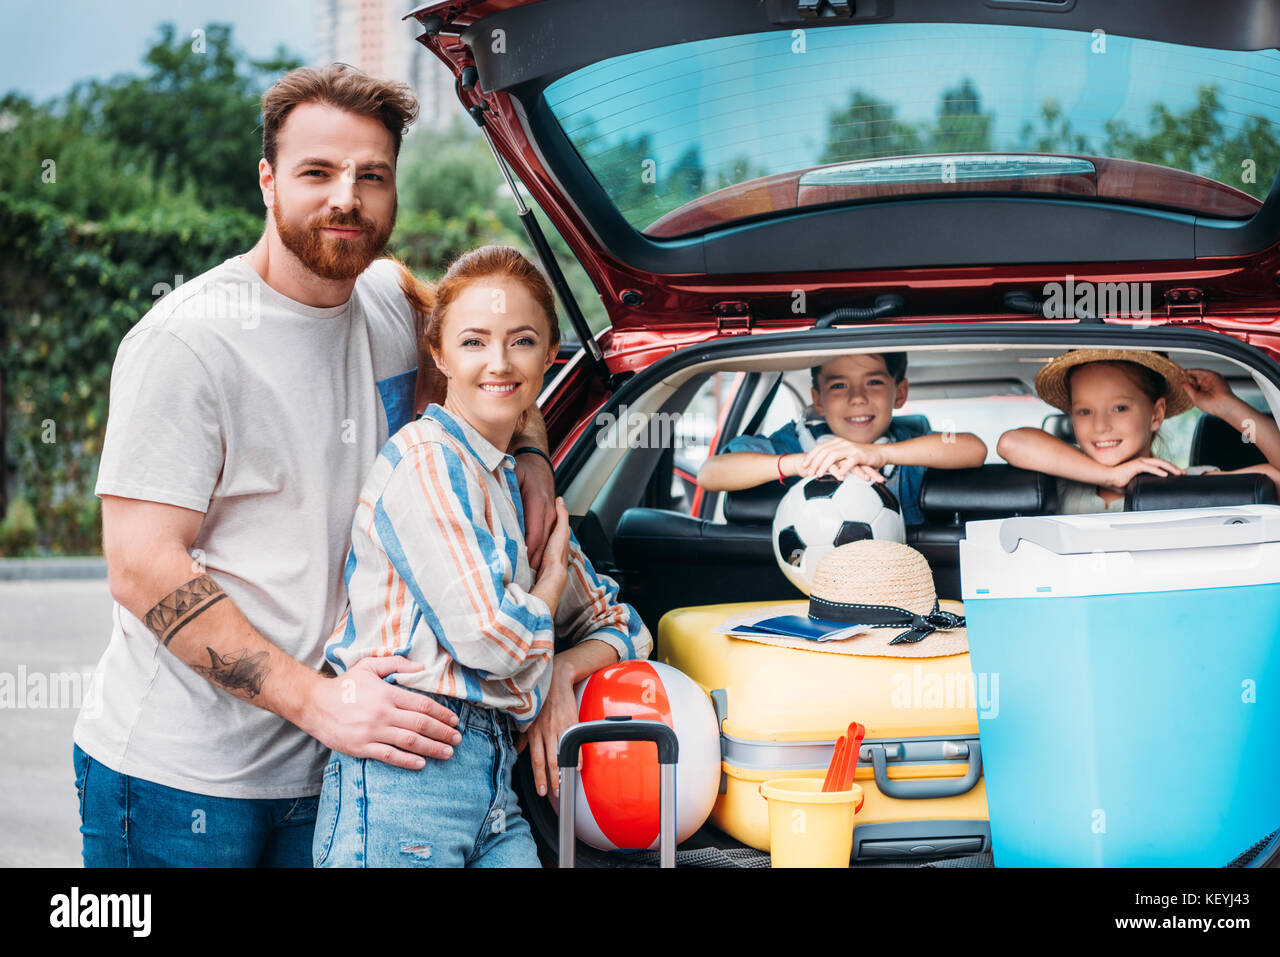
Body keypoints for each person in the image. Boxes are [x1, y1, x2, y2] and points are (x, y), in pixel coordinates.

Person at [73, 66, 558, 868]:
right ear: (267, 181)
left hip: (339, 770)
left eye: (372, 175)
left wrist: (533, 454)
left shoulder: (394, 309)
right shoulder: (188, 343)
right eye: (317, 173)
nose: (347, 198)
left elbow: (498, 372)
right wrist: (322, 703)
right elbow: (141, 566)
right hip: (181, 779)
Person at [313, 245, 651, 867]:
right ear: (439, 354)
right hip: (402, 784)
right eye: (473, 342)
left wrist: (563, 674)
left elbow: (624, 625)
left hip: (496, 785)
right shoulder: (426, 460)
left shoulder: (516, 490)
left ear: (551, 356)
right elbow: (492, 642)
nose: (499, 363)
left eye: (521, 341)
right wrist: (548, 589)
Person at [695, 352, 986, 525]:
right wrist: (802, 463)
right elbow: (711, 473)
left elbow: (975, 449)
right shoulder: (791, 443)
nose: (857, 398)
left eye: (873, 382)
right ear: (818, 400)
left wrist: (879, 454)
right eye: (838, 386)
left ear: (899, 393)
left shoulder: (911, 445)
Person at [997, 348, 1280, 513]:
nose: (1100, 426)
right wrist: (1110, 476)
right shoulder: (1061, 486)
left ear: (1156, 415)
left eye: (1120, 408)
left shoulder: (1190, 485)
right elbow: (1012, 443)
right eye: (1084, 411)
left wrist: (1227, 406)